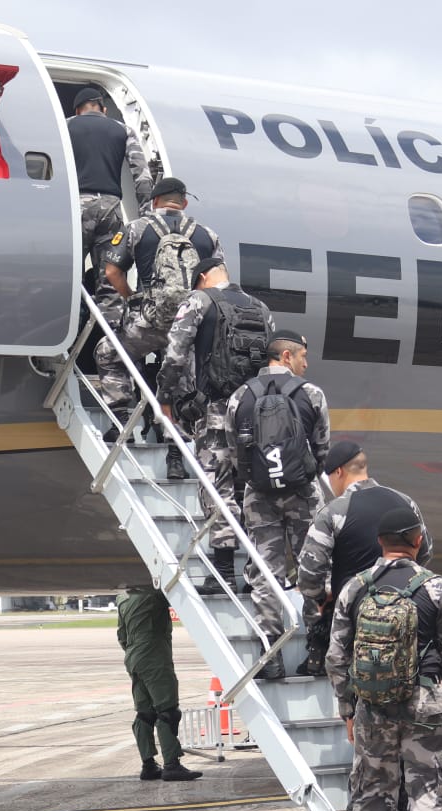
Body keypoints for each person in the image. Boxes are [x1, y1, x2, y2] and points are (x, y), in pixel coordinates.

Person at [325, 507, 442, 811]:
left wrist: (347, 707)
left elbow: (337, 654)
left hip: (372, 705)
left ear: (380, 542)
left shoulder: (356, 587)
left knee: (371, 785)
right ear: (417, 539)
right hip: (424, 702)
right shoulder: (437, 588)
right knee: (426, 789)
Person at [157, 258, 274, 589]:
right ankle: (256, 573)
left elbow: (176, 354)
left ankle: (223, 569)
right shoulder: (262, 309)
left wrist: (165, 396)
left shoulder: (199, 300)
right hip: (255, 411)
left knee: (217, 487)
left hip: (217, 410)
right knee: (248, 487)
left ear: (203, 278)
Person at [95, 178, 221, 461]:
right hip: (188, 326)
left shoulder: (138, 228)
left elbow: (113, 272)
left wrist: (132, 298)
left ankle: (120, 421)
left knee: (108, 353)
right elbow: (216, 282)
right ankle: (176, 456)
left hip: (149, 322)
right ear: (184, 203)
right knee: (179, 382)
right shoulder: (206, 235)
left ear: (154, 202)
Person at [228, 331, 331, 671]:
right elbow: (322, 449)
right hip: (303, 493)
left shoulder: (240, 397)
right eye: (302, 355)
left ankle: (270, 655)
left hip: (259, 496)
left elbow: (235, 450)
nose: (306, 362)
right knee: (313, 567)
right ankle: (317, 650)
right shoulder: (312, 394)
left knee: (265, 571)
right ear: (286, 356)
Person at [297, 442, 432, 677]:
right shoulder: (405, 502)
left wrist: (322, 597)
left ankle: (316, 655)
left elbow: (309, 574)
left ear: (338, 472)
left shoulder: (333, 512)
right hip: (406, 613)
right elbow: (426, 551)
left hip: (357, 619)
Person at [67, 88, 153, 300]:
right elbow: (142, 177)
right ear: (103, 109)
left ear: (78, 110)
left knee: (69, 277)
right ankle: (112, 327)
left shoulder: (66, 125)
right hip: (111, 209)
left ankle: (71, 327)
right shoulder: (123, 130)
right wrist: (146, 217)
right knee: (110, 279)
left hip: (76, 207)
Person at [113, 586, 202, 782]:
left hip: (133, 658)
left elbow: (122, 635)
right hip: (154, 658)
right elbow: (183, 596)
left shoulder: (122, 597)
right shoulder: (155, 593)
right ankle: (171, 765)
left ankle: (148, 765)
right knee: (168, 712)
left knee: (144, 713)